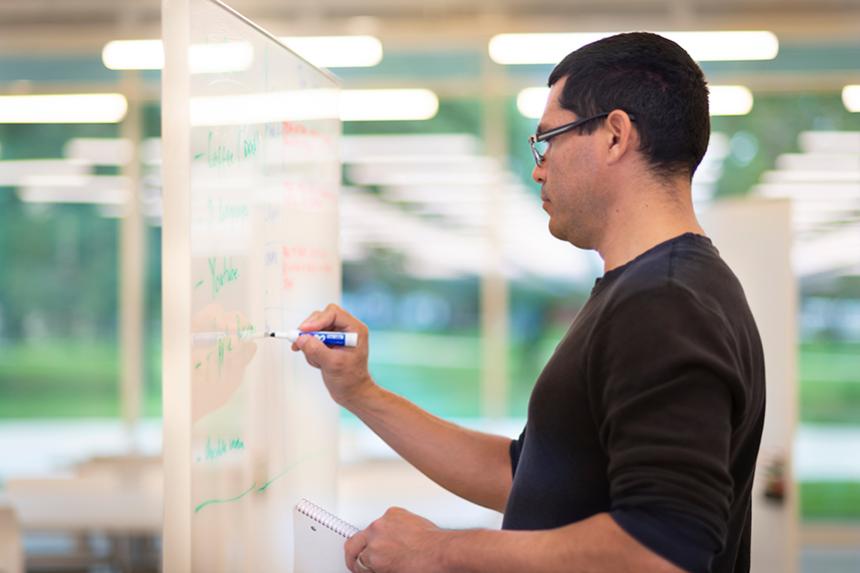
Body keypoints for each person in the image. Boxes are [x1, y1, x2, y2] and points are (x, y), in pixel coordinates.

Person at [292, 31, 765, 573]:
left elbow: (658, 549)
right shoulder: (648, 289)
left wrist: (439, 551)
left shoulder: (665, 303)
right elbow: (526, 476)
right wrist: (361, 393)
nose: (539, 168)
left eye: (549, 140)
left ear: (615, 135)